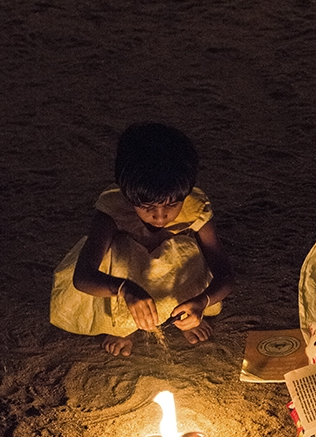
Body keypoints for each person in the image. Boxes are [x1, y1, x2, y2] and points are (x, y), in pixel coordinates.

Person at [50, 122, 233, 356]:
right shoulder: (112, 209)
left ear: (186, 192)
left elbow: (225, 275)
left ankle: (184, 317)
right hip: (126, 281)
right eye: (147, 206)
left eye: (171, 204)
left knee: (185, 249)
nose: (160, 216)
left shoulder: (196, 208)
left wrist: (202, 301)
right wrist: (125, 289)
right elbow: (83, 277)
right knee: (118, 250)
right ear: (127, 194)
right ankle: (120, 326)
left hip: (173, 282)